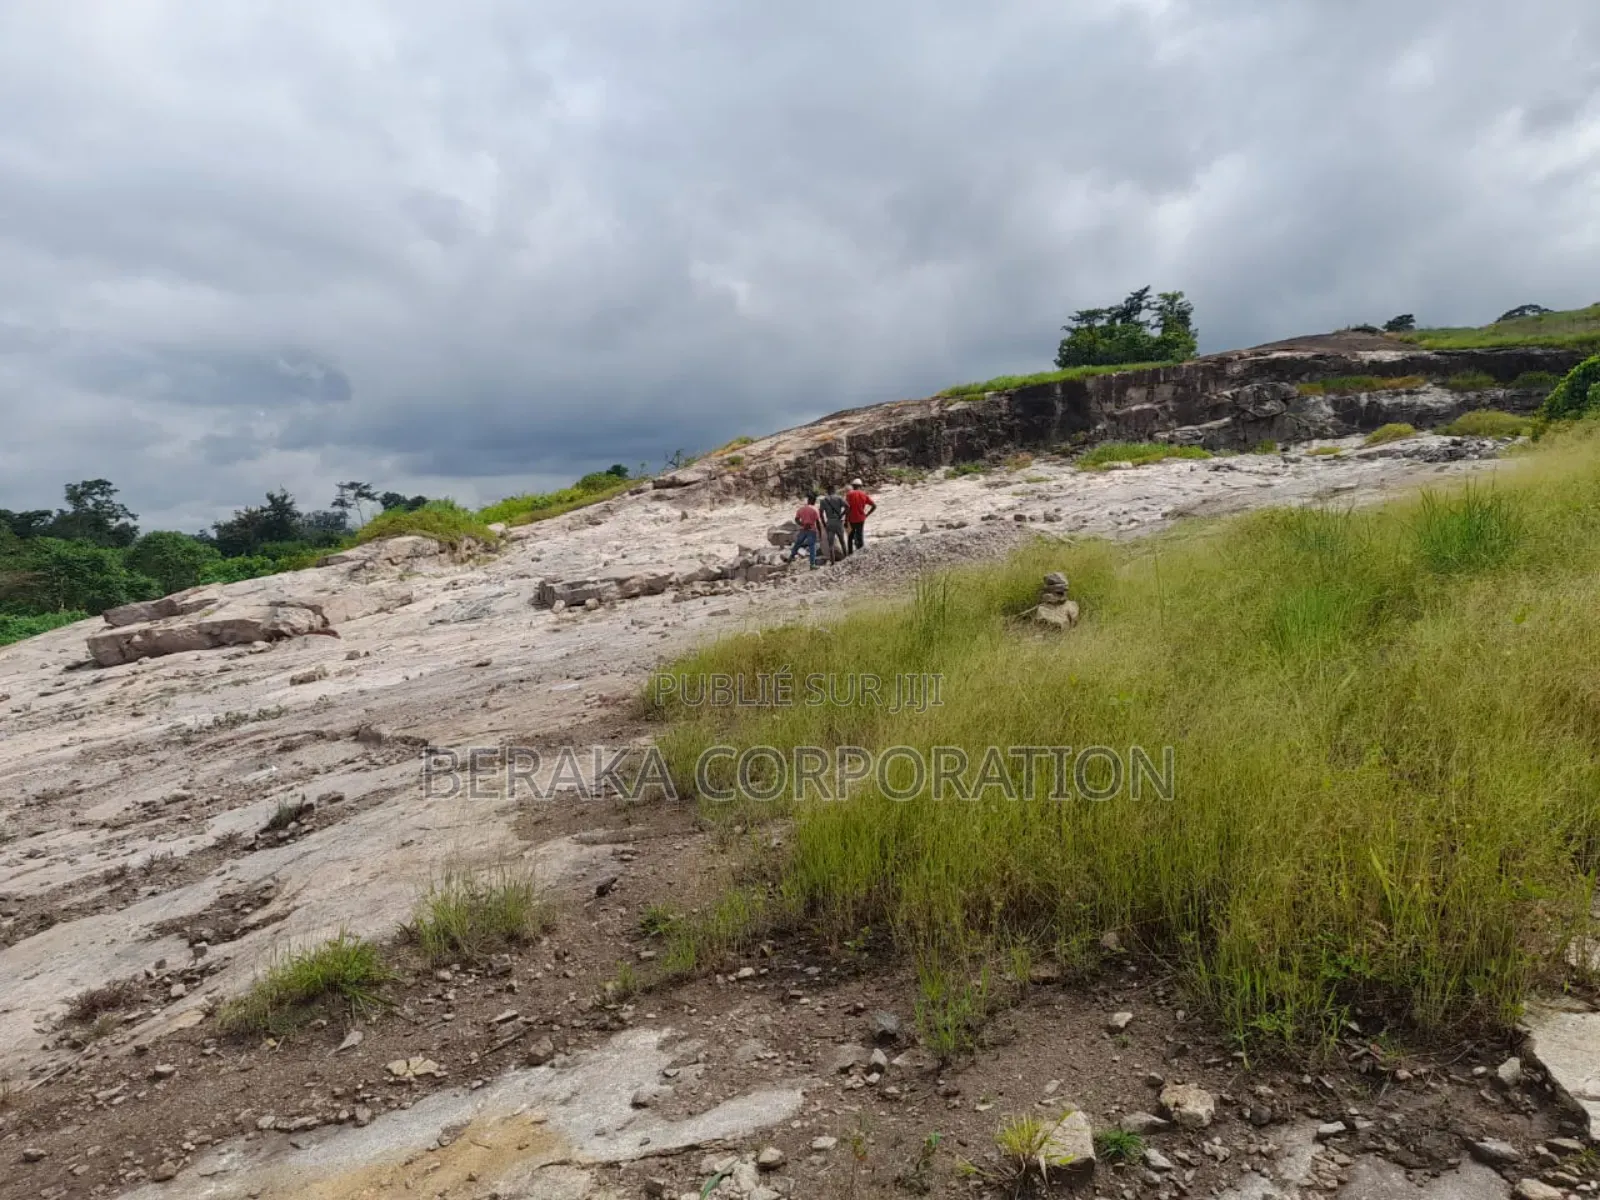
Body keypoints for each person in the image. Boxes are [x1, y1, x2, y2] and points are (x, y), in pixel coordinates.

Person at [786, 493, 821, 568]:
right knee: (812, 547)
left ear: (808, 500)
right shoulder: (815, 509)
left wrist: (802, 525)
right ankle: (812, 564)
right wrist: (820, 532)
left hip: (803, 529)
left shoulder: (802, 509)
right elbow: (818, 522)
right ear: (813, 501)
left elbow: (796, 519)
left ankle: (791, 557)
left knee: (797, 543)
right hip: (812, 530)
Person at [819, 484, 850, 563]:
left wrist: (824, 523)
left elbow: (821, 514)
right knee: (842, 542)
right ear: (833, 490)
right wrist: (842, 515)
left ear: (828, 491)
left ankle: (833, 562)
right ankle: (846, 559)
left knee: (831, 544)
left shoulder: (823, 500)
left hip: (829, 522)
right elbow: (848, 507)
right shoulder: (839, 498)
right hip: (838, 521)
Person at [844, 478, 876, 553]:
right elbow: (874, 506)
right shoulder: (864, 494)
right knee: (860, 535)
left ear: (853, 486)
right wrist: (867, 514)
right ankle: (861, 552)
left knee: (850, 536)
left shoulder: (849, 495)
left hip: (851, 519)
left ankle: (850, 552)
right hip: (861, 518)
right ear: (860, 486)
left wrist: (845, 520)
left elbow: (847, 508)